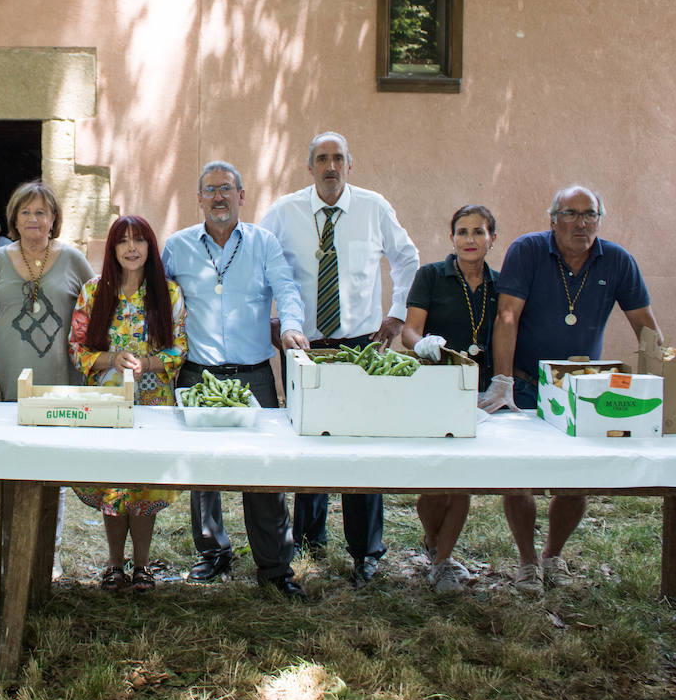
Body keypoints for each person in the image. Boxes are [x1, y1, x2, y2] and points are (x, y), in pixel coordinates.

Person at [480, 185, 660, 595]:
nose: (581, 222)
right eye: (571, 213)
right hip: (524, 384)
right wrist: (503, 380)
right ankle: (526, 561)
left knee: (576, 480)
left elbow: (646, 328)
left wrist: (660, 382)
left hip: (583, 390)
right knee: (519, 478)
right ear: (553, 219)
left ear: (599, 218)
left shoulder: (617, 261)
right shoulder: (527, 251)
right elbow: (507, 316)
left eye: (590, 214)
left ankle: (552, 556)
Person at [259, 131, 419, 588]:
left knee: (360, 447)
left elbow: (407, 260)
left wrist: (395, 315)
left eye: (339, 159)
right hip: (304, 348)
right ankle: (310, 539)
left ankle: (366, 550)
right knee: (308, 441)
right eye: (322, 159)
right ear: (309, 168)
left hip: (359, 346)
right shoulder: (284, 212)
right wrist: (272, 321)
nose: (331, 167)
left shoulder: (373, 208)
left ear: (351, 164)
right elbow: (258, 263)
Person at [162, 161, 309, 598]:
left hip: (253, 376)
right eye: (210, 190)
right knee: (202, 471)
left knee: (263, 469)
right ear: (200, 198)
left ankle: (275, 568)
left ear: (242, 196)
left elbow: (286, 290)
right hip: (198, 372)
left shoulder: (264, 243)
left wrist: (291, 327)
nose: (219, 197)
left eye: (227, 188)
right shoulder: (178, 246)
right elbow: (160, 300)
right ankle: (212, 552)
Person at [0, 179, 95, 579]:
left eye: (41, 212)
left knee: (49, 473)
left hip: (60, 383)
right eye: (25, 212)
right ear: (14, 218)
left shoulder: (74, 260)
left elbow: (98, 309)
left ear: (54, 218)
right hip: (9, 383)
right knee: (9, 467)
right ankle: (9, 549)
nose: (33, 219)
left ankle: (47, 551)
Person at [69, 215, 187, 592]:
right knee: (113, 481)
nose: (131, 248)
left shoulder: (168, 293)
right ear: (113, 249)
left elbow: (179, 349)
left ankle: (142, 566)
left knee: (143, 482)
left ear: (151, 248)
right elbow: (78, 348)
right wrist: (111, 359)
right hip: (106, 403)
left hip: (153, 403)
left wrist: (148, 364)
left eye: (139, 240)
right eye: (123, 241)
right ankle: (114, 565)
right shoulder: (93, 292)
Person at [401, 204, 500, 593]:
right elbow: (410, 331)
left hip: (479, 392)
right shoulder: (430, 276)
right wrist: (422, 343)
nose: (470, 240)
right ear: (451, 238)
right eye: (462, 232)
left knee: (461, 479)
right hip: (435, 388)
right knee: (433, 482)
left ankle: (443, 561)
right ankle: (432, 541)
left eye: (478, 232)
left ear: (492, 238)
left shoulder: (500, 284)